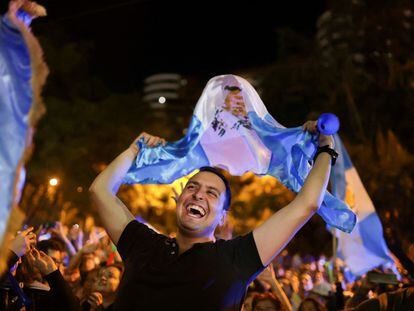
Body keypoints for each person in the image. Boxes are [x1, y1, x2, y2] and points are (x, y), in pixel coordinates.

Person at [89, 114, 336, 310]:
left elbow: (307, 203)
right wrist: (133, 151)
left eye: (211, 193)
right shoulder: (143, 244)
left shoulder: (238, 258)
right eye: (192, 187)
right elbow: (100, 190)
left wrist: (326, 148)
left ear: (222, 217)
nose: (198, 194)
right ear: (179, 200)